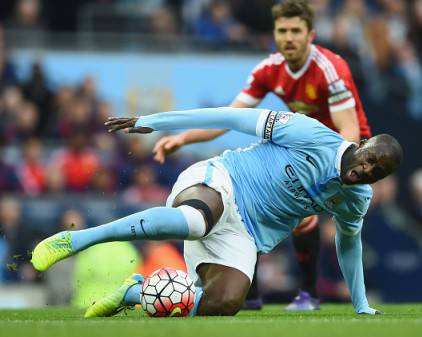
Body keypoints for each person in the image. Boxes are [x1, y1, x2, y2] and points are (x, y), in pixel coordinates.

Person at [31, 106, 401, 317]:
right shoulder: (312, 134)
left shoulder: (356, 198)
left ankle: (135, 293)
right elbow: (230, 117)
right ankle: (78, 239)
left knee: (225, 302)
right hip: (222, 181)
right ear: (364, 144)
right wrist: (155, 121)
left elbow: (349, 245)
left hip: (245, 235)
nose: (367, 171)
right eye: (371, 161)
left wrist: (361, 304)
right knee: (194, 222)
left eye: (377, 173)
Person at [152, 0, 371, 311]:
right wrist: (184, 138)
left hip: (345, 156)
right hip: (305, 148)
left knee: (305, 215)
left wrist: (327, 173)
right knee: (255, 202)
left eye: (296, 30)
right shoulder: (269, 69)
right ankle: (255, 293)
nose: (289, 38)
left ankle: (309, 293)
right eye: (282, 31)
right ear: (275, 34)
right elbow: (230, 116)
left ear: (310, 35)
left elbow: (349, 133)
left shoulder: (330, 69)